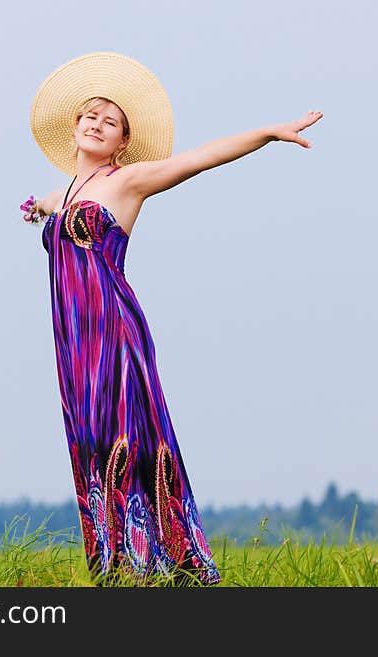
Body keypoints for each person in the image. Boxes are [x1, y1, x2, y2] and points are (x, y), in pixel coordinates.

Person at [23, 52, 322, 585]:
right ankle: (115, 568)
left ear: (121, 142)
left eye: (110, 121)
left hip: (113, 332)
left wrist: (268, 133)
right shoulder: (67, 191)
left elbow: (202, 158)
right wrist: (39, 209)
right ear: (74, 126)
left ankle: (159, 565)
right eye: (90, 115)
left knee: (127, 441)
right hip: (72, 339)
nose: (96, 123)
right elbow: (52, 208)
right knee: (90, 444)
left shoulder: (128, 181)